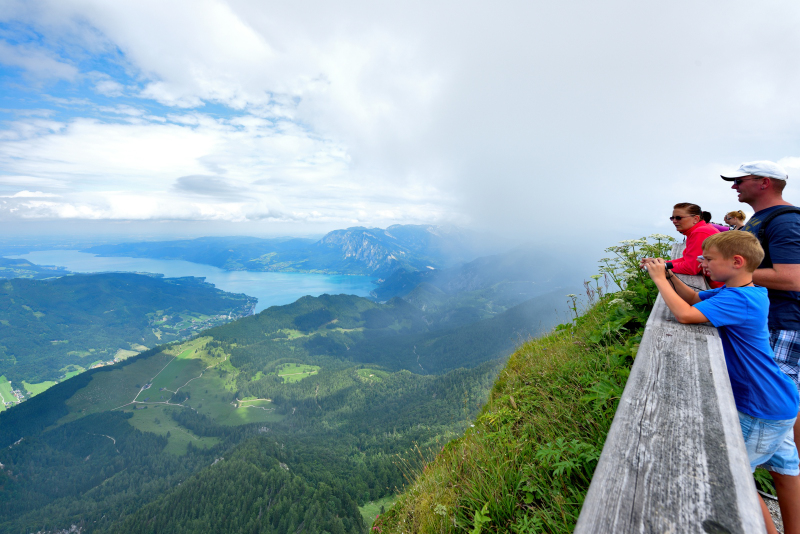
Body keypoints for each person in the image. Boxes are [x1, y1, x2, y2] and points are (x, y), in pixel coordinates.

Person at [642, 231, 800, 534]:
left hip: (759, 407)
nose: (703, 263)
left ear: (736, 262)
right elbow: (692, 298)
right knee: (786, 470)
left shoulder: (738, 300)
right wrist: (670, 274)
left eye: (710, 259)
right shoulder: (744, 291)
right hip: (779, 400)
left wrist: (658, 279)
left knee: (735, 479)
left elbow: (685, 314)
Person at [722, 161, 800, 450]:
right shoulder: (761, 218)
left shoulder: (784, 221)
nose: (734, 186)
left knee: (780, 398)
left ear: (764, 182)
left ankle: (788, 464)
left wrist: (730, 272)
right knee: (780, 398)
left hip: (785, 322)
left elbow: (792, 278)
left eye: (739, 180)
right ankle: (787, 467)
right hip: (770, 319)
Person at [665, 202, 720, 275]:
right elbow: (687, 260)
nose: (674, 221)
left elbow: (691, 268)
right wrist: (663, 263)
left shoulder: (700, 232)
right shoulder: (700, 230)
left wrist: (663, 266)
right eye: (672, 218)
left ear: (695, 219)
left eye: (678, 218)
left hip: (717, 281)